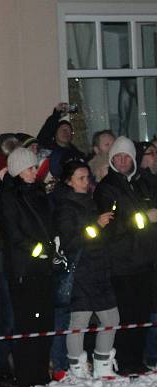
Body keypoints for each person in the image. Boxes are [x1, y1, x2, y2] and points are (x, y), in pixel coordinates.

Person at [93, 136, 157, 374]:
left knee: (142, 314)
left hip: (143, 261)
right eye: (116, 157)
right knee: (127, 316)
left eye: (126, 157)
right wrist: (142, 220)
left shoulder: (139, 184)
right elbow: (110, 226)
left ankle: (136, 360)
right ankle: (125, 361)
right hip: (122, 263)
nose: (121, 161)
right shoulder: (107, 188)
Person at [54, 160, 119, 378]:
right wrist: (96, 226)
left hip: (99, 268)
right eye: (80, 178)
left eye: (87, 177)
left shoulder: (91, 202)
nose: (86, 182)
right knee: (79, 321)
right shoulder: (65, 207)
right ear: (68, 181)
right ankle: (77, 369)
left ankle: (102, 364)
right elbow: (70, 242)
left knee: (111, 319)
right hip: (81, 271)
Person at [0, 147, 55, 387]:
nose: (35, 172)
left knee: (44, 323)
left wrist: (51, 246)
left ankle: (41, 372)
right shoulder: (8, 197)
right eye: (31, 168)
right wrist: (39, 248)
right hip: (24, 270)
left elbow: (46, 224)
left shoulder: (37, 193)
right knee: (28, 324)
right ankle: (27, 376)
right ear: (20, 171)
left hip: (43, 268)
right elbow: (13, 234)